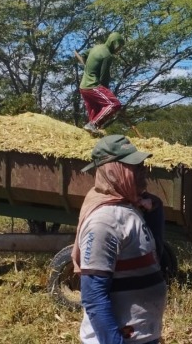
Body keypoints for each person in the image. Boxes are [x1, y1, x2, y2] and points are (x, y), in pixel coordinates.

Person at [72, 134, 167, 344]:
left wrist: (154, 207)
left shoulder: (131, 207)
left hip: (142, 335)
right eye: (135, 166)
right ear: (113, 172)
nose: (143, 171)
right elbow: (94, 297)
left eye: (142, 165)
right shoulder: (104, 222)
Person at [80, 32, 126, 133]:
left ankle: (91, 130)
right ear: (113, 43)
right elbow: (104, 77)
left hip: (83, 87)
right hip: (93, 85)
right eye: (119, 46)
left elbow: (83, 55)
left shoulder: (97, 47)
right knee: (114, 104)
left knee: (95, 112)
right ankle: (93, 125)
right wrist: (106, 91)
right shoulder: (107, 56)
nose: (119, 49)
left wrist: (88, 67)